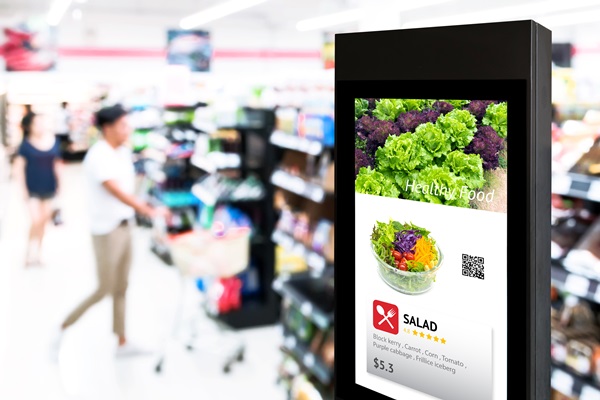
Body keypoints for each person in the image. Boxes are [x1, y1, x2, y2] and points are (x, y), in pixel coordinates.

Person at [51, 104, 168, 360]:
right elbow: (118, 191)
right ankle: (62, 327)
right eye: (123, 125)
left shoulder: (122, 152)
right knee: (103, 288)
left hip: (126, 226)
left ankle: (122, 341)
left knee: (122, 287)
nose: (128, 130)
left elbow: (130, 186)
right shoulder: (98, 156)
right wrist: (149, 210)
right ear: (108, 128)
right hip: (106, 231)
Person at [12, 112, 63, 266]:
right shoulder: (25, 145)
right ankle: (29, 252)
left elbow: (57, 165)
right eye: (37, 123)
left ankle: (39, 253)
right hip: (32, 187)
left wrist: (61, 185)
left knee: (44, 222)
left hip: (49, 187)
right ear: (30, 127)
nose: (40, 126)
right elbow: (19, 169)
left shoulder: (54, 142)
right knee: (36, 220)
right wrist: (23, 190)